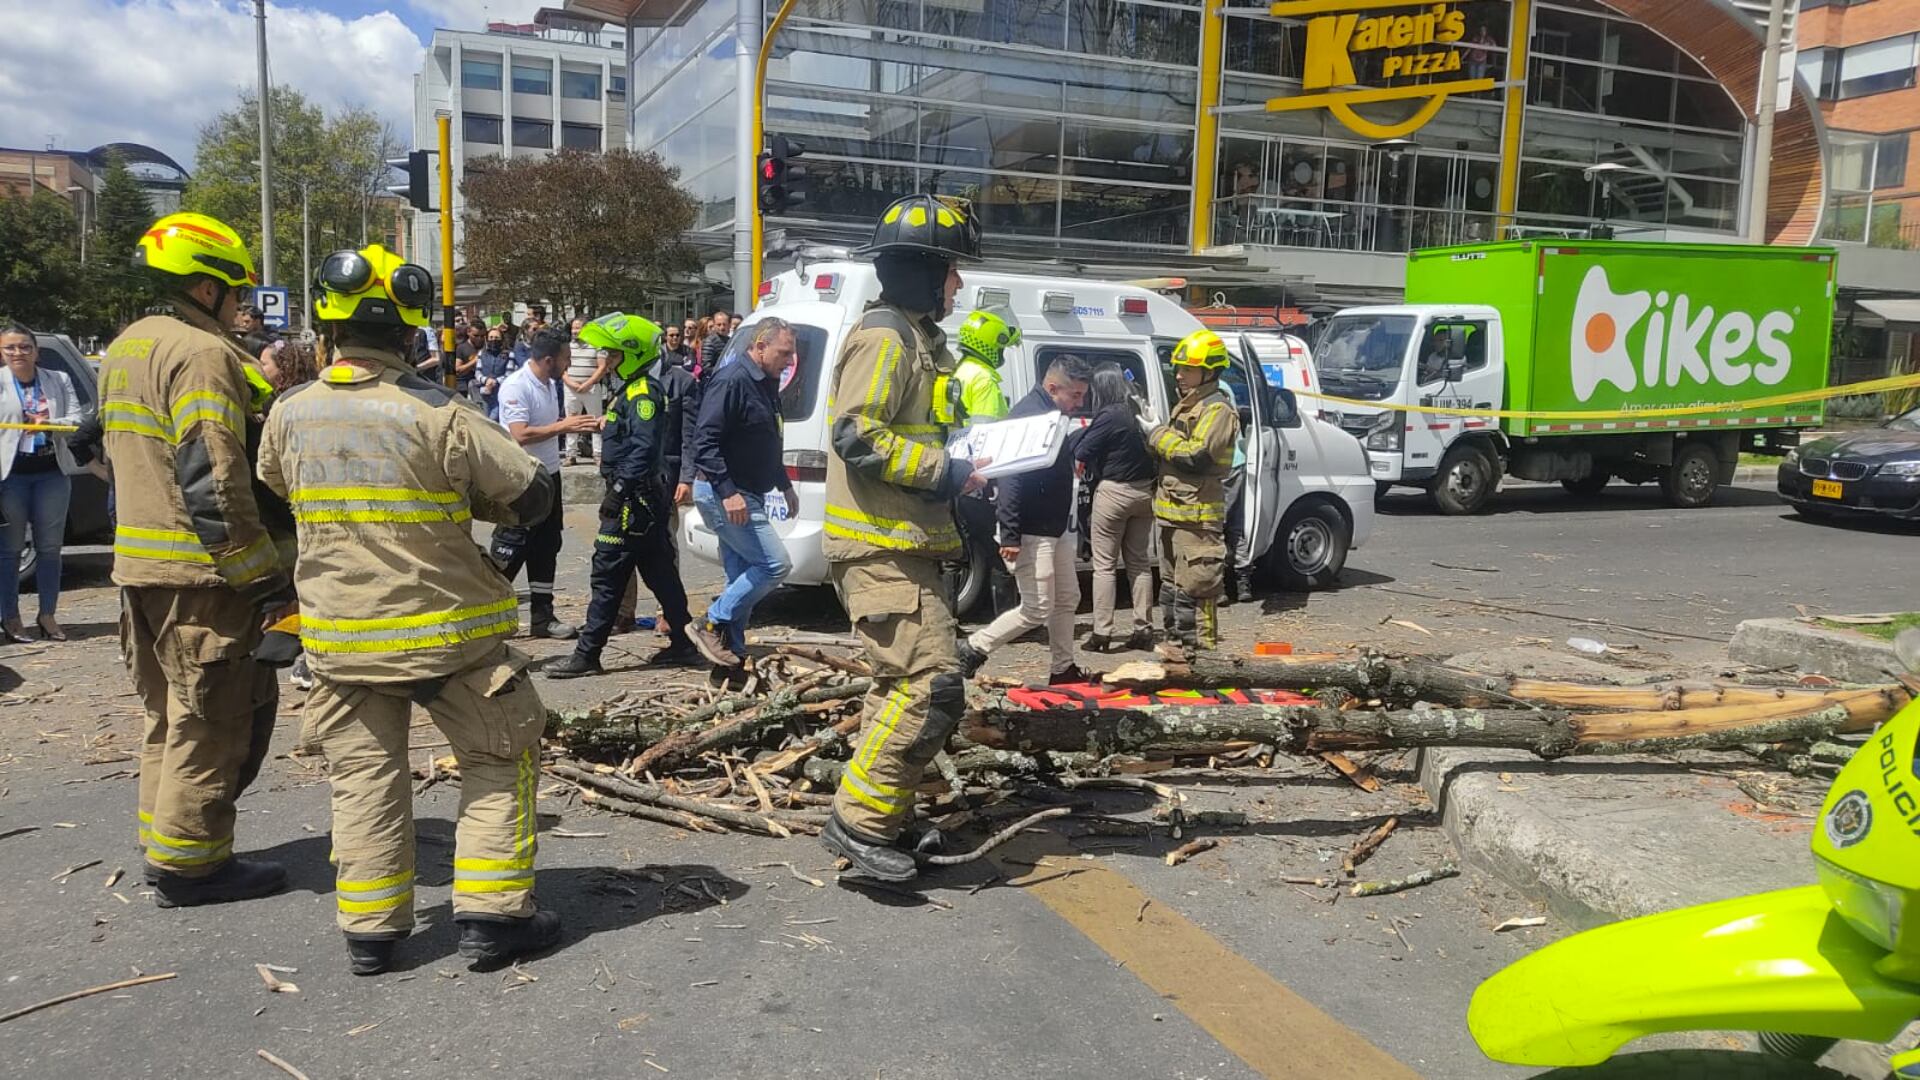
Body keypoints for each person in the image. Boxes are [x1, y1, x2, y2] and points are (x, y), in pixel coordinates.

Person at [258, 244, 562, 975]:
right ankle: (493, 919)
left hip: (340, 640)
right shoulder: (440, 412)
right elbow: (531, 496)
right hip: (450, 638)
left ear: (328, 327)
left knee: (363, 777)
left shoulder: (289, 412)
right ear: (410, 332)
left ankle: (370, 932)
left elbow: (275, 488)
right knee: (499, 757)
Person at [103, 212, 294, 908]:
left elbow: (105, 456)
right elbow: (212, 476)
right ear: (205, 288)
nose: (243, 308)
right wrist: (264, 580)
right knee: (212, 720)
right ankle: (192, 865)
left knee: (166, 715)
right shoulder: (201, 355)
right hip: (201, 576)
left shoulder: (127, 346)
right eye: (236, 293)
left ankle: (165, 841)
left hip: (138, 569)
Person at [818, 194, 988, 882]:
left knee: (897, 686)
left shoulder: (914, 338)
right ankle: (859, 821)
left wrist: (963, 465)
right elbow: (856, 432)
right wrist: (943, 470)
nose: (959, 284)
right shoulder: (886, 338)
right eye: (952, 271)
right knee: (933, 684)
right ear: (923, 270)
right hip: (879, 545)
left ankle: (887, 811)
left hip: (904, 541)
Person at [545, 313, 701, 678]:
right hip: (642, 501)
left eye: (614, 355)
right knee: (662, 574)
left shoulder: (643, 392)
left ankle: (586, 656)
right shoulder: (629, 389)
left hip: (633, 502)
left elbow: (643, 450)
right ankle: (684, 644)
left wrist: (617, 493)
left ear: (632, 354)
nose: (607, 362)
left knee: (607, 573)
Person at [956, 354, 1090, 685]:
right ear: (1053, 387)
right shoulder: (1030, 416)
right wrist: (1011, 534)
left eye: (1082, 396)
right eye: (1075, 395)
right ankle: (973, 648)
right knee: (1036, 608)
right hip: (1033, 530)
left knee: (1067, 599)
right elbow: (1012, 478)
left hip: (1053, 528)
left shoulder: (1050, 413)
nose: (1080, 403)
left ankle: (1063, 668)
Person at [687, 318, 798, 668]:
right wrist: (728, 492)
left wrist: (784, 485)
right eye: (784, 353)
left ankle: (731, 654)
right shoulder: (732, 380)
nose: (789, 360)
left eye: (792, 354)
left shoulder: (766, 382)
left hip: (749, 490)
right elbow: (704, 443)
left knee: (741, 577)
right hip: (727, 493)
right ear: (760, 346)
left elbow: (768, 441)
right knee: (774, 564)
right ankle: (710, 622)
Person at [490, 329, 597, 639]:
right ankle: (487, 611)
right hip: (520, 478)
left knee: (547, 545)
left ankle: (543, 616)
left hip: (549, 475)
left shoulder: (550, 383)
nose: (569, 363)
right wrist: (564, 426)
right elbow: (519, 433)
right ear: (549, 359)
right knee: (511, 547)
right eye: (566, 358)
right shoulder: (517, 386)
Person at [1144, 329, 1240, 658]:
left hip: (1198, 518)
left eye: (1187, 369)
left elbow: (1195, 457)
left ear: (1209, 371)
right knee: (1171, 590)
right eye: (1178, 368)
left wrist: (1155, 433)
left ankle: (1203, 659)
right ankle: (1176, 652)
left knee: (1198, 589)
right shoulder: (1187, 406)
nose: (1180, 375)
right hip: (1173, 515)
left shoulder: (1218, 410)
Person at [0, 322, 85, 642]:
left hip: (51, 473)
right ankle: (10, 618)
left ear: (36, 351)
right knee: (9, 552)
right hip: (11, 478)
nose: (18, 353)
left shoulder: (58, 380)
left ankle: (47, 615)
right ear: (1, 352)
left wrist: (47, 424)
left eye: (24, 347)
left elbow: (76, 419)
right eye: (10, 348)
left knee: (50, 549)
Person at [1075, 363, 1156, 653]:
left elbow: (1082, 451)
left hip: (1114, 493)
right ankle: (1144, 628)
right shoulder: (1139, 409)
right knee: (1139, 563)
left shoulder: (1109, 415)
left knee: (1104, 566)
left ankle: (1102, 633)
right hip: (1146, 493)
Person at [944, 306, 1017, 611]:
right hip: (979, 477)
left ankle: (948, 617)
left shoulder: (960, 370)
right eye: (1001, 345)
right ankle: (1008, 621)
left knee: (954, 553)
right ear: (991, 343)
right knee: (999, 548)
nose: (1002, 352)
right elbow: (986, 435)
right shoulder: (984, 379)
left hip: (954, 471)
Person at [563, 317, 610, 465]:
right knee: (571, 420)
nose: (575, 331)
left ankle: (598, 454)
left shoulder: (597, 345)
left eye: (578, 328)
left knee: (595, 420)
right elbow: (562, 368)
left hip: (592, 388)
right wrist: (571, 383)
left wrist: (588, 383)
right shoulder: (567, 346)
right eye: (573, 328)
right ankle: (570, 454)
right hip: (571, 388)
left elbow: (602, 367)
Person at [474, 327, 517, 419]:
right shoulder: (481, 353)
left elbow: (509, 374)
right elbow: (478, 372)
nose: (494, 340)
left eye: (497, 338)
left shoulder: (509, 354)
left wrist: (495, 382)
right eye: (491, 337)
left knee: (493, 420)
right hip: (484, 393)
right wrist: (486, 380)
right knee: (484, 420)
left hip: (500, 394)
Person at [698, 306, 731, 380]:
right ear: (714, 325)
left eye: (724, 324)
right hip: (716, 380)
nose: (722, 327)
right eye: (719, 324)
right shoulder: (709, 341)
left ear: (729, 325)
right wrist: (725, 371)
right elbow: (706, 367)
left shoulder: (730, 340)